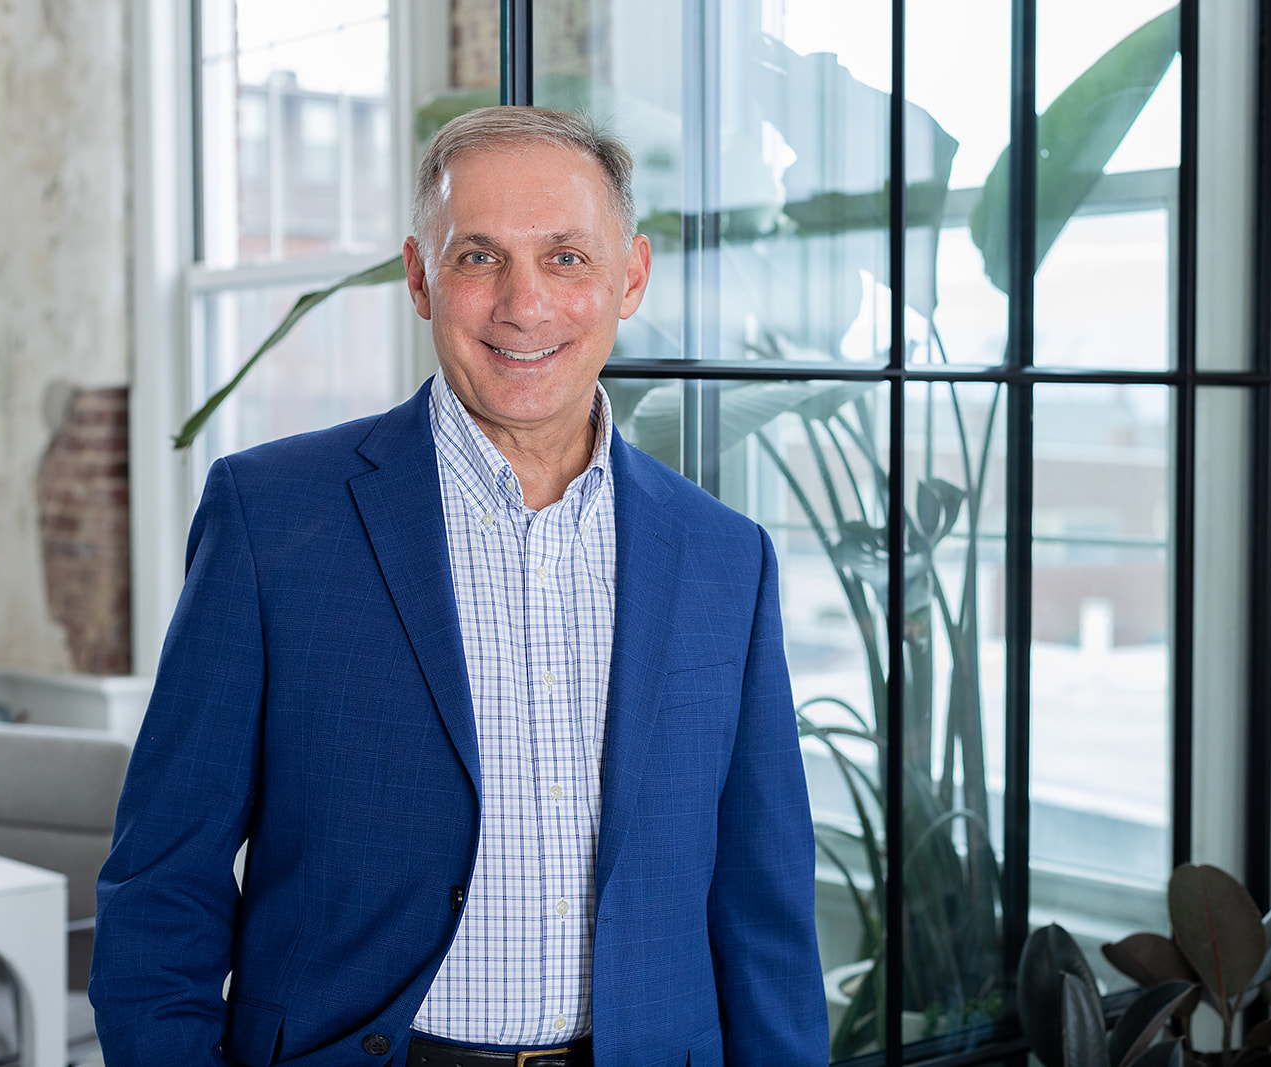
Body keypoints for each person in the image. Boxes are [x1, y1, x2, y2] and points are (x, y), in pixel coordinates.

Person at [90, 106, 828, 1067]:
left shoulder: (725, 557)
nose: (524, 305)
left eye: (566, 257)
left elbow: (763, 909)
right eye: (479, 257)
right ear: (419, 277)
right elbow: (162, 881)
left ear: (631, 276)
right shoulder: (272, 519)